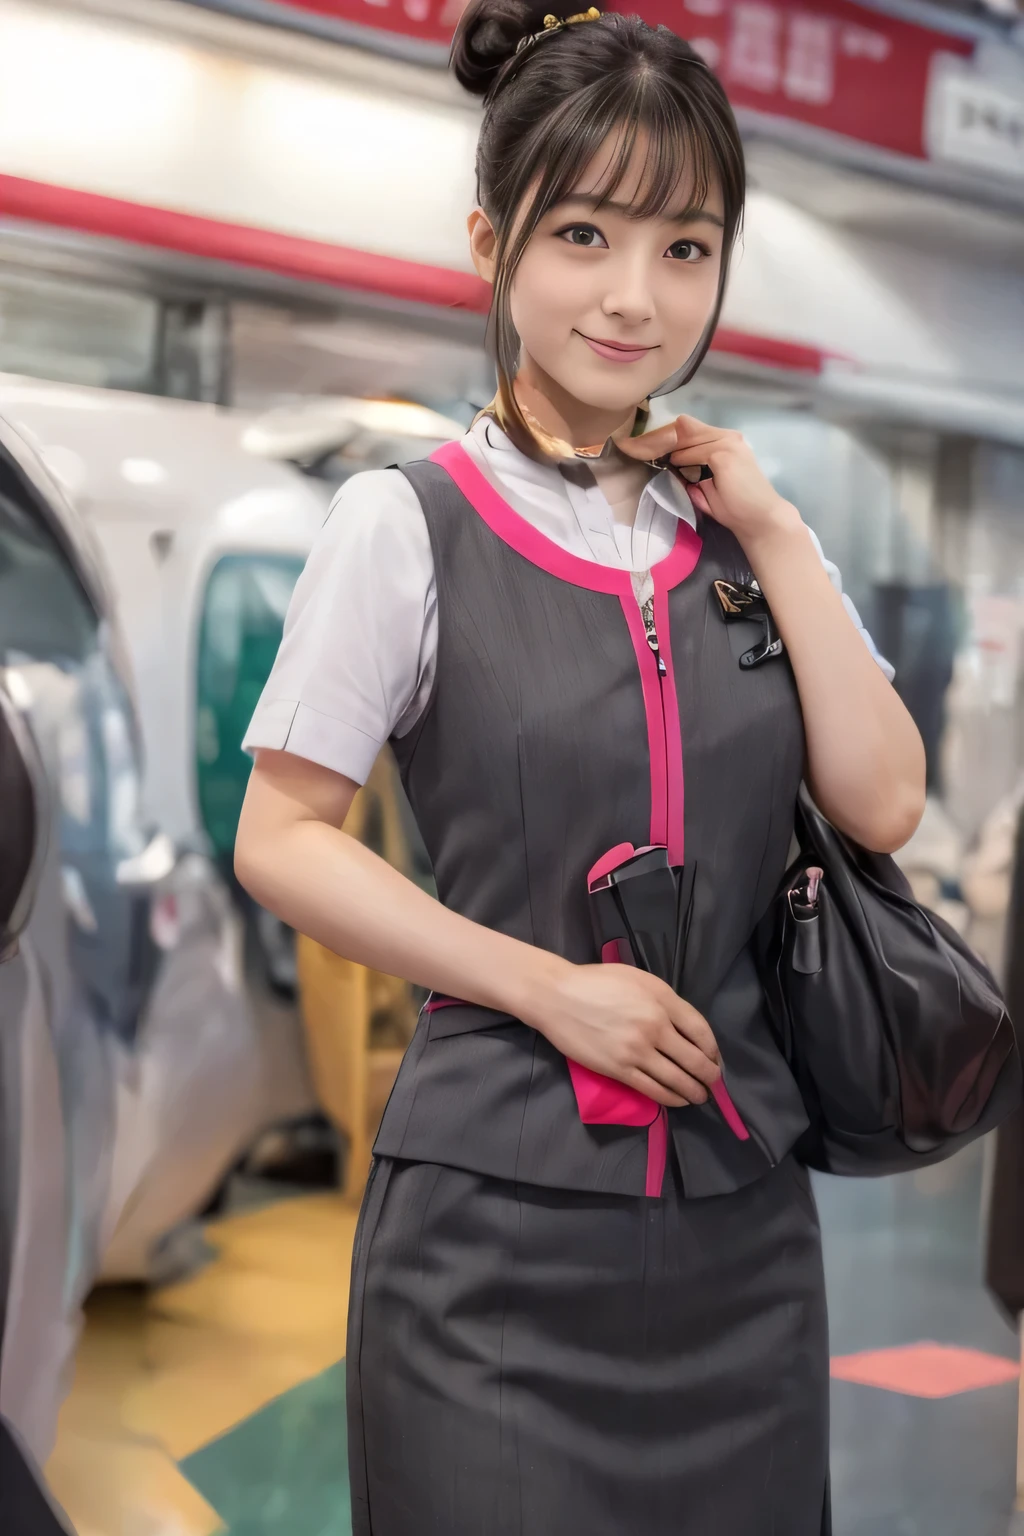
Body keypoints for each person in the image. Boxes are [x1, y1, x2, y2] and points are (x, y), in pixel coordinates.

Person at [234, 4, 926, 1530]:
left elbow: (883, 803)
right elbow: (282, 839)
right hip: (496, 1243)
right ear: (494, 243)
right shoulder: (405, 523)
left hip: (743, 1229)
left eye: (688, 248)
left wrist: (781, 534)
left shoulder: (739, 539)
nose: (635, 296)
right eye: (587, 234)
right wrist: (550, 988)